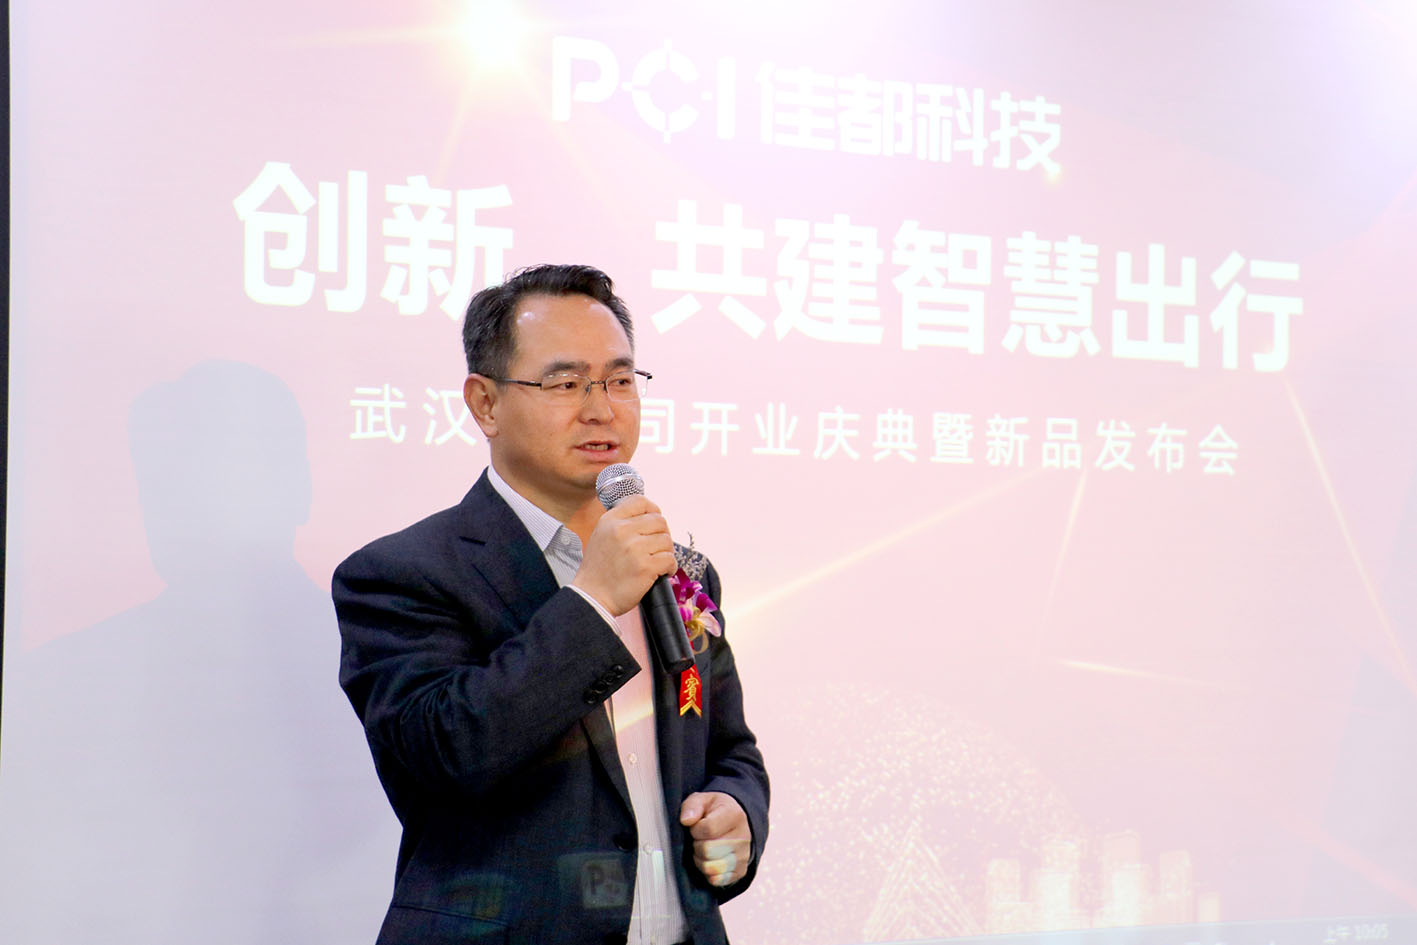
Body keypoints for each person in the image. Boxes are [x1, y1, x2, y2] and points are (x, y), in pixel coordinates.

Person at [333, 264, 769, 945]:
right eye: (566, 384)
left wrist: (737, 810)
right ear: (485, 403)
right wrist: (593, 600)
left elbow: (727, 747)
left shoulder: (682, 573)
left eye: (619, 381)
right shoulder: (401, 575)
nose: (601, 409)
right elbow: (448, 753)